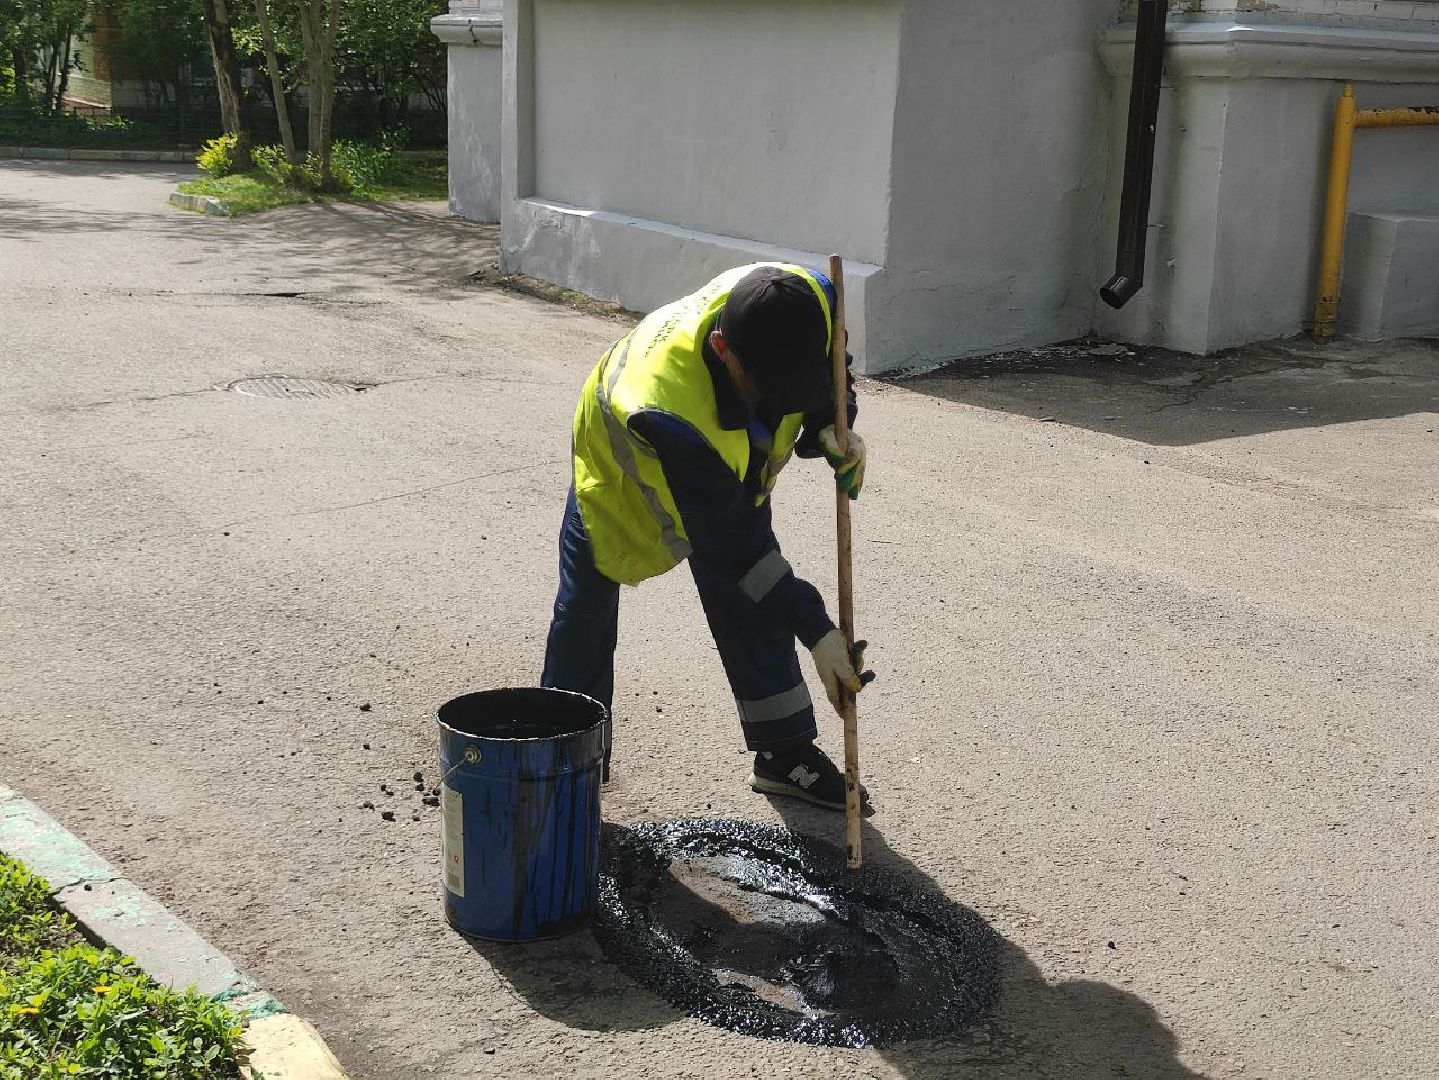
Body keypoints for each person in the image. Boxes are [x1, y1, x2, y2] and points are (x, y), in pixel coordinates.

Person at [541, 262, 872, 811]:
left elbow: (831, 373)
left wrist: (833, 426)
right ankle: (561, 765)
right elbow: (736, 550)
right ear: (723, 350)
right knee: (585, 615)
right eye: (773, 390)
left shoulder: (810, 295)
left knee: (757, 595)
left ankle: (782, 754)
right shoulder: (668, 410)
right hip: (620, 472)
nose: (782, 402)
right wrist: (818, 631)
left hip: (727, 467)